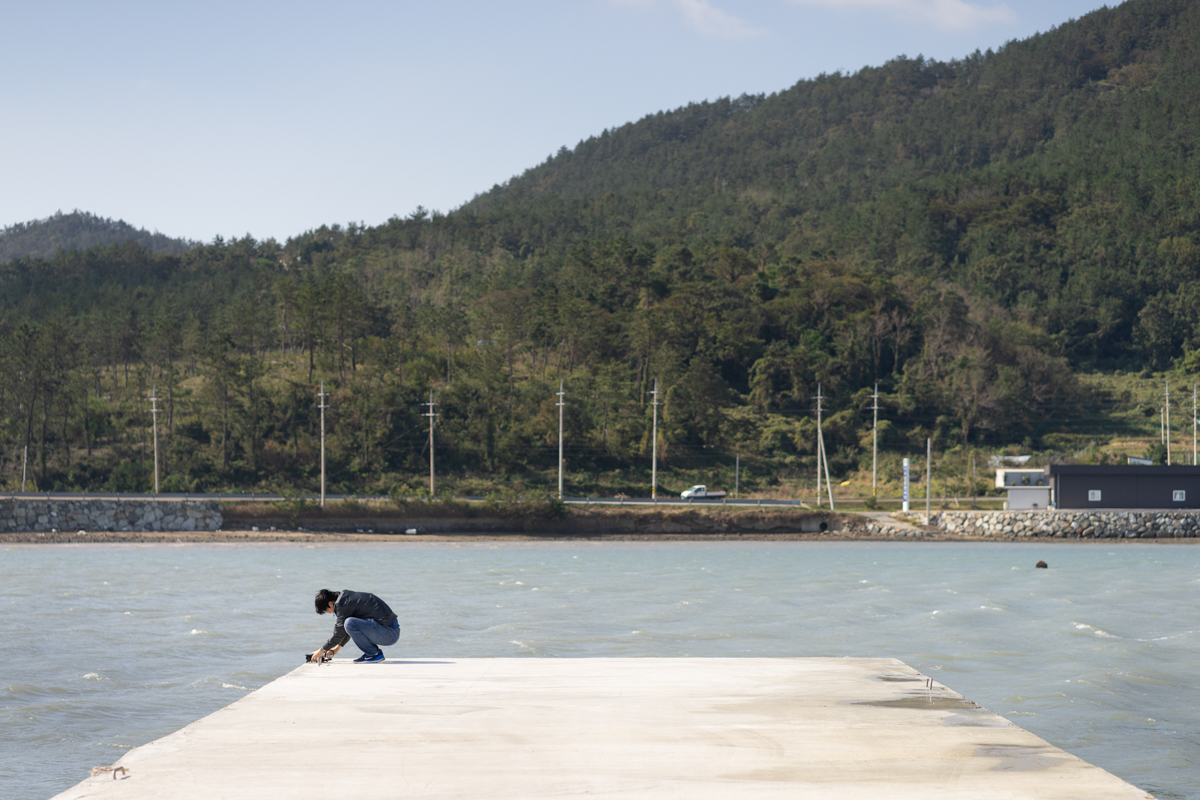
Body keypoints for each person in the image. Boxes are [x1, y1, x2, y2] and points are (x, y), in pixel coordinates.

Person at [311, 588, 400, 664]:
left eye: (327, 610)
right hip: (389, 631)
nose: (330, 612)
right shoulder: (345, 599)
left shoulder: (342, 604)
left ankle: (373, 654)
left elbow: (339, 633)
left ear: (330, 603)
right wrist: (336, 648)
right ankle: (373, 653)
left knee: (349, 622)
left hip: (389, 634)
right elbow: (347, 629)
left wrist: (321, 651)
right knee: (349, 622)